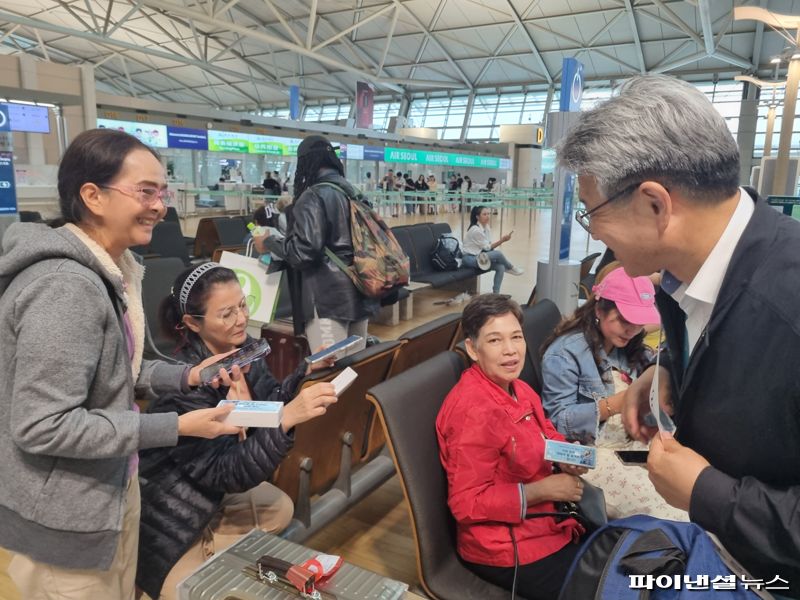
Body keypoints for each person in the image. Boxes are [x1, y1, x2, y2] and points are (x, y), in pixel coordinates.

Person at [556, 74, 800, 598]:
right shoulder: (686, 276)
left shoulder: (788, 309)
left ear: (654, 204)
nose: (593, 231)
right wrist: (667, 371)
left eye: (591, 212)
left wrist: (709, 494)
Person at [0, 129, 242, 600]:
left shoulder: (111, 271)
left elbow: (119, 370)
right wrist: (178, 425)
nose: (160, 206)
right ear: (92, 195)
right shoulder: (64, 288)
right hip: (64, 520)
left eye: (162, 192)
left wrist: (190, 374)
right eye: (145, 192)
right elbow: (43, 426)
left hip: (108, 489)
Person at [136, 263, 337, 600]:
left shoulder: (247, 351)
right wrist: (287, 418)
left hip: (210, 496)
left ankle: (210, 542)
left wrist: (304, 371)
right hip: (171, 510)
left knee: (281, 508)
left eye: (242, 306)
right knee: (191, 591)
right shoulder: (182, 386)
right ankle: (184, 558)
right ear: (192, 323)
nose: (241, 319)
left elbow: (269, 404)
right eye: (226, 314)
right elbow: (224, 472)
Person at [437, 294, 587, 600]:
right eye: (494, 340)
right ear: (472, 349)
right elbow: (466, 503)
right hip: (503, 547)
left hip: (545, 520)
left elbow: (545, 433)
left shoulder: (519, 388)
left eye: (516, 337)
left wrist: (568, 456)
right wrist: (544, 491)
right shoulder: (473, 412)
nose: (511, 351)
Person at [540, 267, 685, 520]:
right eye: (624, 320)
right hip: (592, 454)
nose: (631, 330)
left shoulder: (627, 348)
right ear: (599, 310)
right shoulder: (565, 354)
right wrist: (617, 404)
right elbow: (557, 422)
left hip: (633, 444)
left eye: (638, 323)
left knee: (686, 488)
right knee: (670, 513)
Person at [263, 134, 378, 353]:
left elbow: (304, 252)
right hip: (360, 290)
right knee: (354, 369)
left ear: (305, 163)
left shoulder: (313, 195)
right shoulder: (352, 192)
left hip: (327, 297)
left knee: (330, 371)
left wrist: (269, 242)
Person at [462, 205, 524, 294]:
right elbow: (488, 247)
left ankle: (496, 294)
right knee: (498, 254)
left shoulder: (486, 227)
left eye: (488, 214)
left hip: (479, 256)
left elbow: (488, 247)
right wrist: (502, 240)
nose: (487, 216)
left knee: (501, 267)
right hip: (469, 259)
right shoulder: (476, 230)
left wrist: (495, 256)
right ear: (477, 217)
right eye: (484, 214)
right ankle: (511, 267)